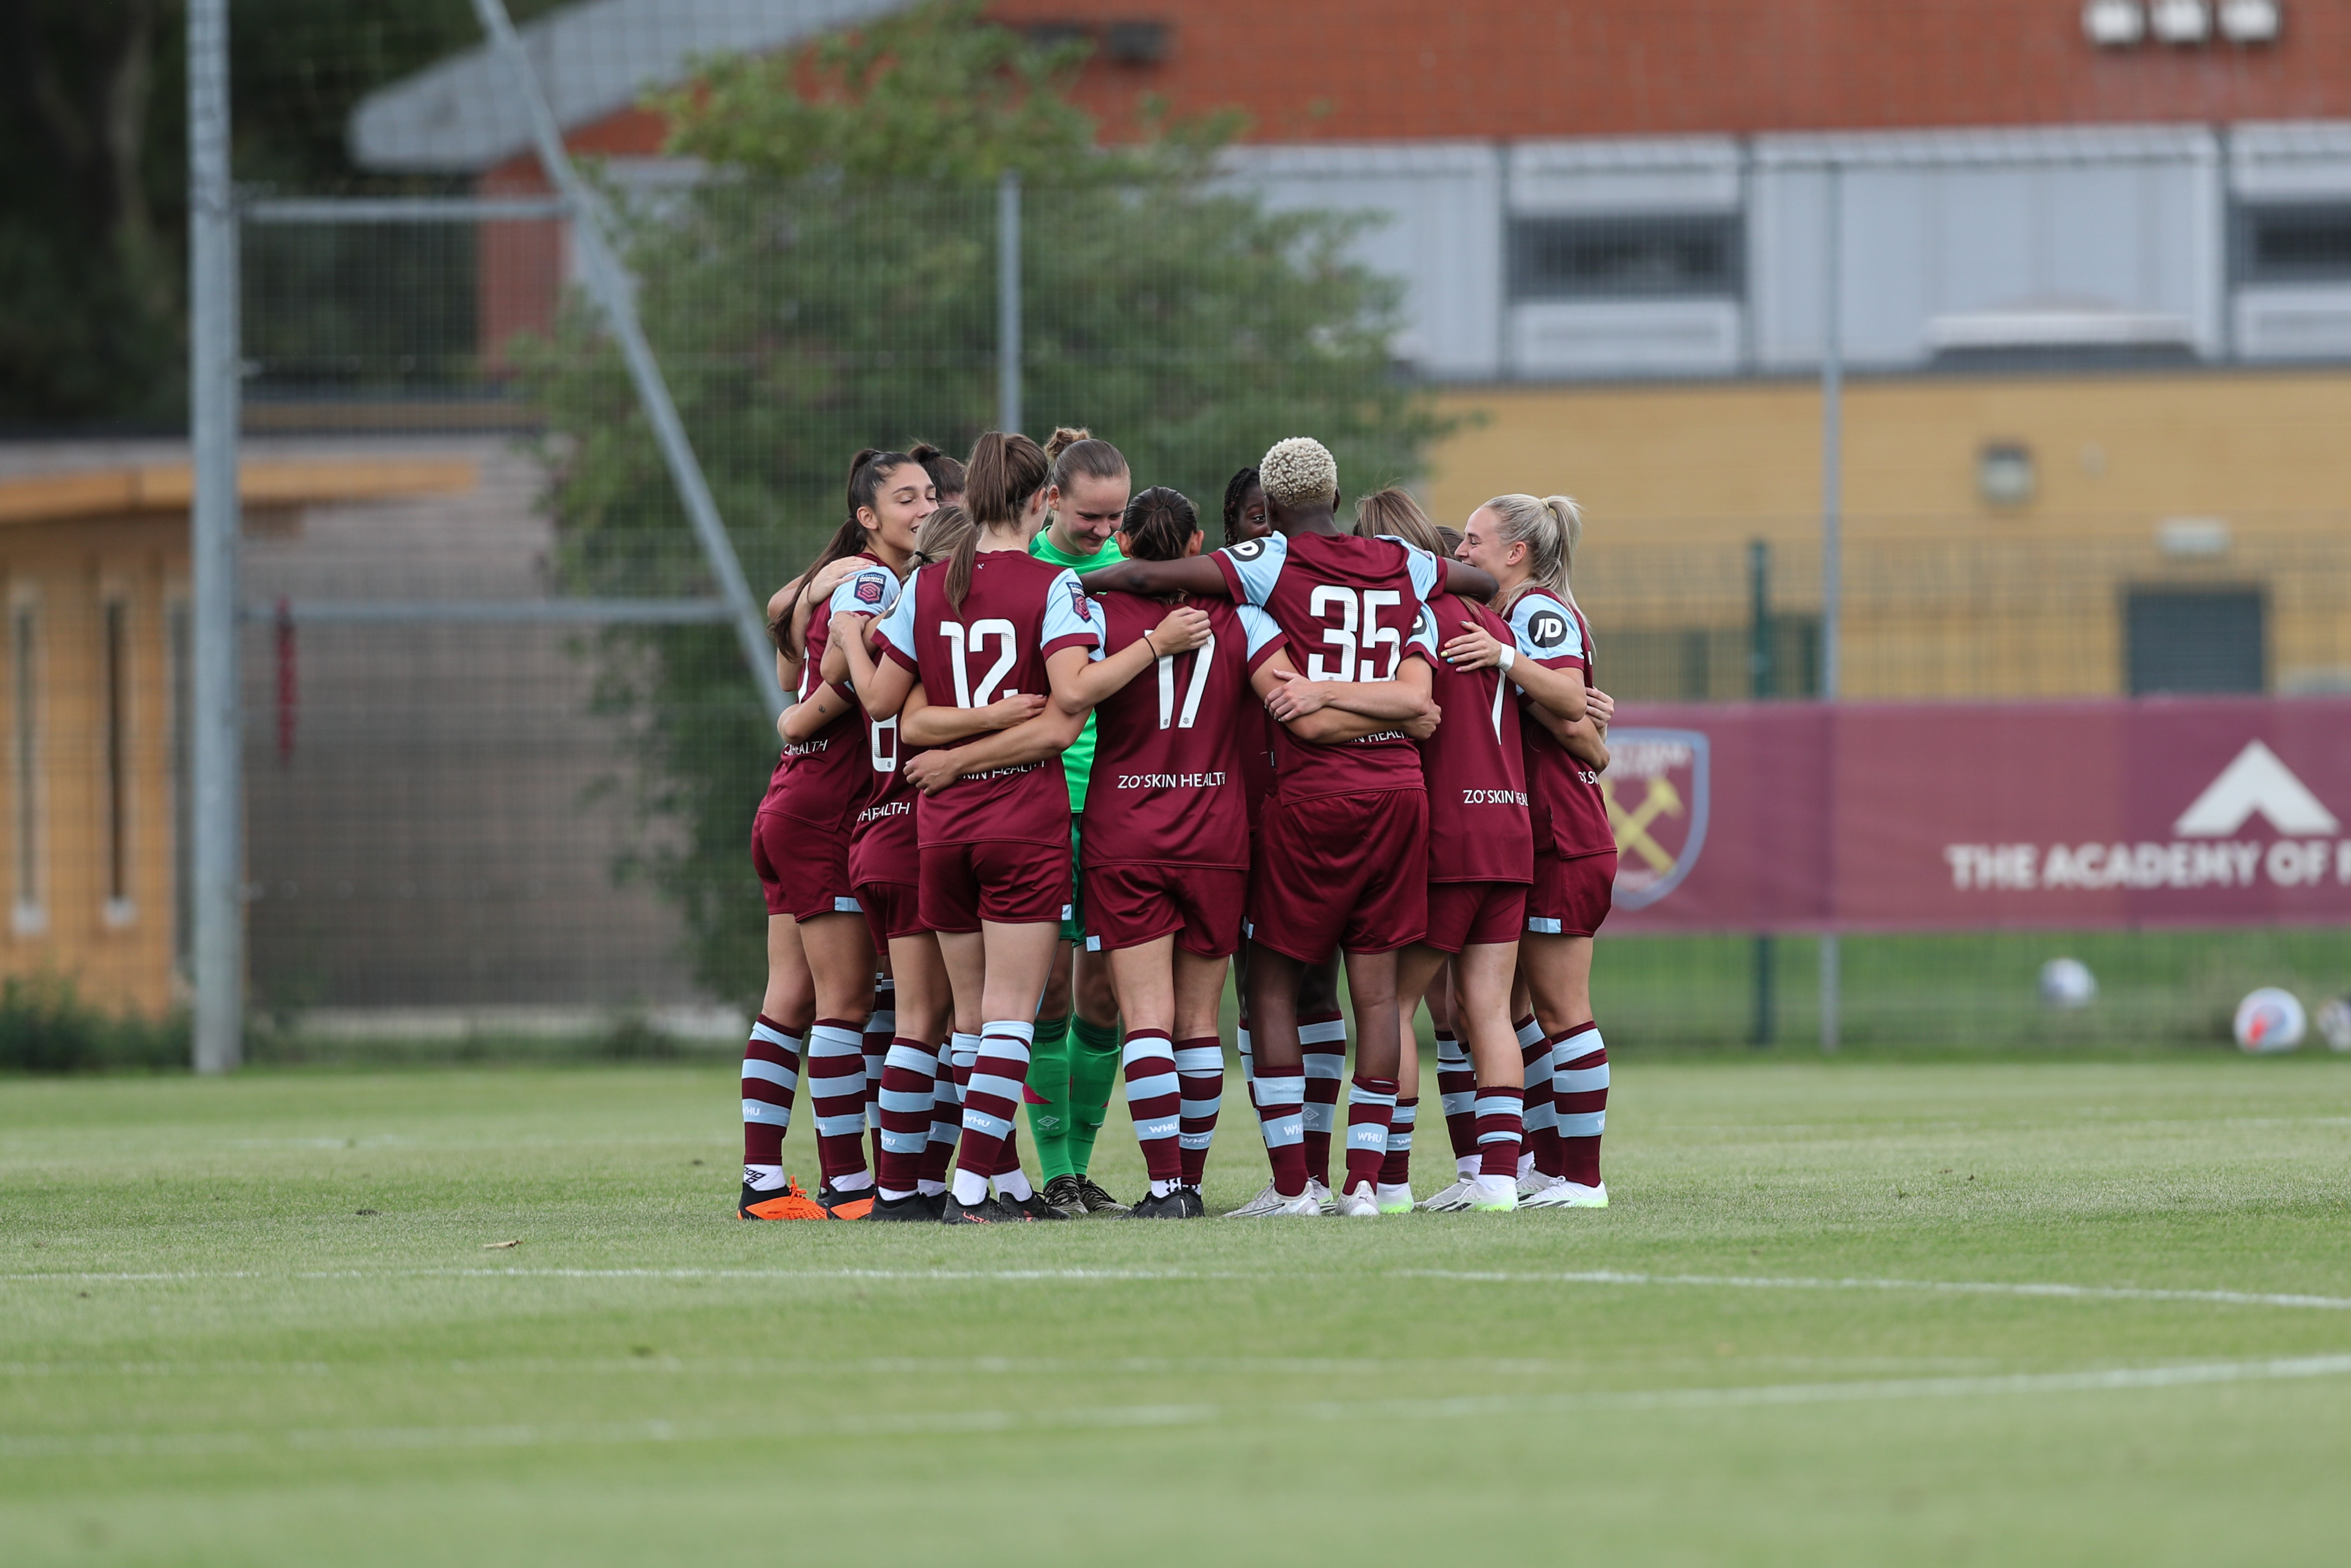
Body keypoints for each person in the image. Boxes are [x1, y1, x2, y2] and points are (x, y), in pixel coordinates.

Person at [1080, 436, 1493, 1217]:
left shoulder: (1269, 564)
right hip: (1401, 792)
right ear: (1336, 493)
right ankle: (1367, 1185)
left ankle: (1295, 1186)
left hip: (1313, 795)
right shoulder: (1406, 565)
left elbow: (1144, 576)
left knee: (1271, 984)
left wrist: (1075, 581)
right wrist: (1432, 581)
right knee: (1377, 998)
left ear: (1265, 509)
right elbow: (1478, 579)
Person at [841, 431, 1134, 1223]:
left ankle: (932, 1189)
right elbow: (1070, 701)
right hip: (1022, 817)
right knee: (1008, 1013)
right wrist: (1147, 649)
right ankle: (972, 1189)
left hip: (941, 826)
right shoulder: (1055, 588)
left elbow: (887, 708)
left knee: (961, 1022)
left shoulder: (930, 585)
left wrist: (959, 736)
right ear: (1042, 500)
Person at [1066, 487, 1287, 1215]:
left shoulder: (1096, 615)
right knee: (1199, 1022)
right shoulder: (1246, 618)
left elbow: (1067, 698)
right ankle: (1187, 1184)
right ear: (1198, 547)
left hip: (1125, 834)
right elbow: (1290, 700)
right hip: (1216, 837)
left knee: (1146, 1019)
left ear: (1121, 546)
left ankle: (1164, 1187)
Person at [748, 451, 939, 1219]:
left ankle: (763, 1182)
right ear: (868, 517)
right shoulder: (880, 578)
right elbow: (838, 670)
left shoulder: (855, 572)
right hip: (825, 808)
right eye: (906, 498)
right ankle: (849, 1186)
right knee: (844, 1002)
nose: (923, 507)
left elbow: (789, 616)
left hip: (792, 803)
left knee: (791, 997)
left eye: (930, 494)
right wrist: (805, 714)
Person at [1447, 493, 1615, 1209]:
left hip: (1563, 832)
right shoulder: (1510, 615)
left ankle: (1583, 1176)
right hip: (1533, 828)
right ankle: (1540, 1165)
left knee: (1561, 1006)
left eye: (1474, 541)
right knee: (1513, 1008)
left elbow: (1574, 706)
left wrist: (1507, 659)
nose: (1462, 550)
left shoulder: (1535, 612)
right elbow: (1577, 719)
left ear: (1516, 552)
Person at [1218, 468, 1351, 1209]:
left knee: (1310, 986)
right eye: (1252, 518)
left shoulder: (1324, 602)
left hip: (1312, 810)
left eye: (1275, 516)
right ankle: (1292, 1175)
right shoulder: (1232, 608)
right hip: (1243, 816)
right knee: (1258, 990)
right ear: (1233, 525)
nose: (1265, 531)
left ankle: (1312, 1173)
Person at [1019, 427, 1135, 1214]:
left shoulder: (1138, 577)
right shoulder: (1017, 572)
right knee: (1048, 996)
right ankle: (1054, 1167)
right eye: (1090, 517)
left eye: (1114, 517)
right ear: (1052, 499)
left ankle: (1080, 1170)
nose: (1101, 531)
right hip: (1037, 803)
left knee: (1105, 1000)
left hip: (1123, 810)